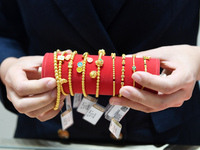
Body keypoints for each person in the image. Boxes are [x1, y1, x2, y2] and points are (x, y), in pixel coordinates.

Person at [0, 0, 200, 145]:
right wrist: (8, 66)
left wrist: (197, 60)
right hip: (45, 128)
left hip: (168, 134)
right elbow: (4, 31)